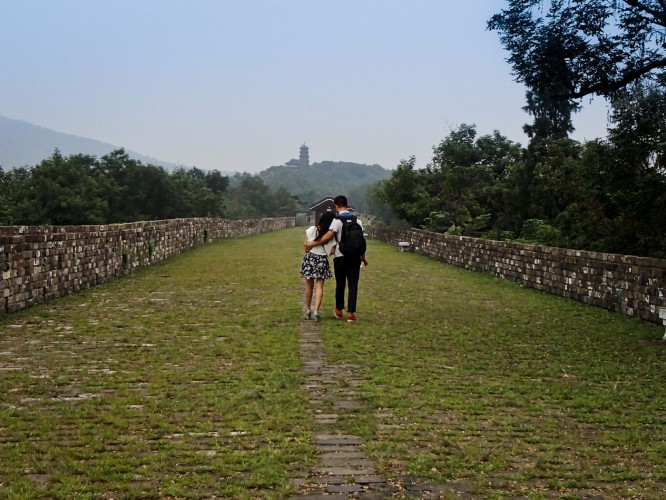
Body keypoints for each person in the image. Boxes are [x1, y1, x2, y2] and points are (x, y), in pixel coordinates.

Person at [304, 195, 368, 322]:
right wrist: (363, 258)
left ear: (336, 205)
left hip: (340, 256)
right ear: (347, 204)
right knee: (353, 285)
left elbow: (328, 237)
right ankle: (351, 313)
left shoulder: (337, 220)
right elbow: (360, 242)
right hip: (355, 257)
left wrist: (312, 243)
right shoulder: (358, 221)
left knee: (341, 284)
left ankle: (339, 310)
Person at [300, 211, 336, 321]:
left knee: (309, 286)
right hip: (322, 259)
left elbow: (306, 246)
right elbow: (332, 251)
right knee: (320, 286)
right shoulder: (330, 235)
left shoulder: (311, 230)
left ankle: (307, 310)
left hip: (310, 258)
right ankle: (316, 311)